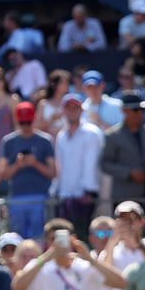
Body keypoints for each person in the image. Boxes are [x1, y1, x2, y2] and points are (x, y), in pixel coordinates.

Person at [0, 102, 55, 240]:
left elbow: (53, 172)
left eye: (28, 122)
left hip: (40, 197)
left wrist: (35, 163)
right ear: (17, 120)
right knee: (17, 241)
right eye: (22, 122)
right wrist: (18, 165)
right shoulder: (8, 142)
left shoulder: (45, 141)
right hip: (17, 198)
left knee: (38, 241)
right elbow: (3, 173)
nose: (25, 126)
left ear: (34, 119)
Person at [52, 94, 103, 237]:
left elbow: (91, 163)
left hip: (84, 196)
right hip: (65, 195)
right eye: (68, 108)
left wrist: (89, 190)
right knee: (66, 236)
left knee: (84, 236)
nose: (72, 111)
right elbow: (59, 165)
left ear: (81, 110)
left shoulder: (92, 133)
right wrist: (57, 190)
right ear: (63, 111)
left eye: (75, 108)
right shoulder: (61, 136)